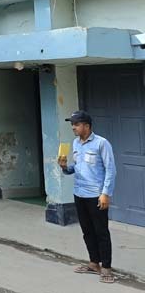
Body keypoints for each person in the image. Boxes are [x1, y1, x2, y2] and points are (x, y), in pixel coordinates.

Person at [60, 110, 117, 284]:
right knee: (87, 231)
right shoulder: (75, 144)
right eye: (72, 125)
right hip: (79, 194)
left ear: (86, 125)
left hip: (96, 196)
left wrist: (105, 193)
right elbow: (76, 168)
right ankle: (94, 263)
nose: (73, 128)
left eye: (76, 124)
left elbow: (111, 170)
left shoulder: (101, 143)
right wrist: (64, 167)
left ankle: (106, 267)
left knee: (101, 231)